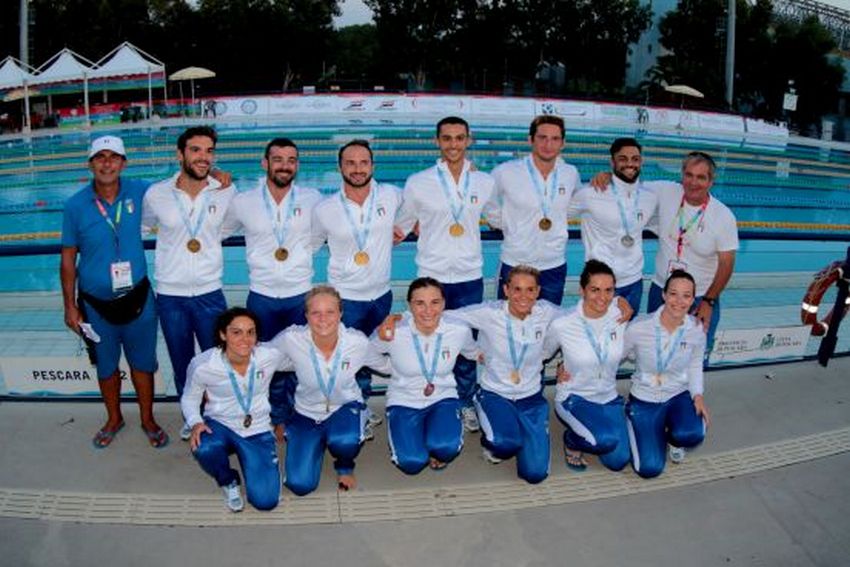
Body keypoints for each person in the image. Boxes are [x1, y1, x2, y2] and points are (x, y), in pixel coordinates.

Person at [380, 266, 562, 484]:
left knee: (535, 474)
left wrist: (564, 362)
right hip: (496, 393)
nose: (523, 296)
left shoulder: (547, 311)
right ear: (505, 289)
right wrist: (398, 317)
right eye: (517, 289)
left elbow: (580, 316)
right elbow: (436, 311)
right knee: (505, 443)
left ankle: (528, 438)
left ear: (538, 291)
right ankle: (494, 444)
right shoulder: (488, 313)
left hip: (531, 395)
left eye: (530, 290)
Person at [60, 135, 168, 449]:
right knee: (106, 367)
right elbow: (68, 258)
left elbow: (179, 184)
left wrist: (215, 175)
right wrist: (69, 305)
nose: (107, 163)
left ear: (123, 163)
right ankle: (114, 418)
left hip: (138, 298)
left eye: (113, 157)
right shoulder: (75, 205)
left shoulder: (141, 190)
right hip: (95, 306)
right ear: (91, 164)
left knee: (143, 364)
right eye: (100, 157)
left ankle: (147, 419)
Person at [395, 116, 495, 433]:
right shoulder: (418, 182)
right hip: (432, 275)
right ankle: (431, 397)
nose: (453, 144)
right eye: (447, 138)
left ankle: (465, 402)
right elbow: (402, 223)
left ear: (468, 140)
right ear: (438, 141)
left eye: (459, 138)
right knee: (427, 342)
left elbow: (497, 217)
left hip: (468, 274)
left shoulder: (484, 182)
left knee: (465, 343)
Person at [591, 151, 738, 362]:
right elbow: (629, 185)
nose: (693, 182)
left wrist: (709, 301)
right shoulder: (666, 191)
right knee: (654, 350)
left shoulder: (723, 216)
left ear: (711, 181)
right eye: (689, 175)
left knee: (692, 357)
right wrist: (609, 176)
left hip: (699, 297)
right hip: (661, 291)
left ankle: (686, 395)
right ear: (682, 175)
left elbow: (727, 264)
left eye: (701, 177)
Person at [224, 138, 322, 442]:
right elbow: (220, 229)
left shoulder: (313, 198)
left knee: (300, 360)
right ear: (265, 163)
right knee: (263, 360)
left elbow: (319, 236)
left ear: (297, 165)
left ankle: (297, 415)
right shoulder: (243, 202)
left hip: (299, 293)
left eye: (291, 160)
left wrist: (299, 259)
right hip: (262, 295)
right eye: (278, 159)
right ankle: (271, 415)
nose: (284, 165)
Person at [142, 125, 235, 440]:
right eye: (196, 150)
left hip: (210, 291)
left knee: (216, 359)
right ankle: (190, 415)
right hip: (170, 294)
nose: (203, 157)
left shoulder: (225, 191)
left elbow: (228, 227)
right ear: (180, 154)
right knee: (181, 360)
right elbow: (143, 225)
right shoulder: (156, 194)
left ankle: (219, 415)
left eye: (209, 151)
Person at [311, 139, 402, 438]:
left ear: (372, 166)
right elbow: (309, 245)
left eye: (363, 162)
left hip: (380, 295)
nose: (358, 169)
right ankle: (352, 407)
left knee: (371, 351)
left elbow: (418, 210)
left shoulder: (391, 195)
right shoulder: (325, 209)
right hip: (346, 297)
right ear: (340, 167)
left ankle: (361, 404)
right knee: (347, 356)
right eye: (350, 163)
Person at [270, 286, 387, 495]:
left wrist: (403, 326)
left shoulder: (357, 342)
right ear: (306, 315)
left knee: (344, 441)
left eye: (330, 312)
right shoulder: (291, 339)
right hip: (306, 411)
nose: (323, 319)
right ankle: (316, 440)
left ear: (340, 313)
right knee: (300, 485)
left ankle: (344, 465)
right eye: (315, 312)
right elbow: (261, 360)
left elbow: (387, 366)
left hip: (345, 406)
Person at [370, 277, 479, 474]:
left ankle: (436, 445)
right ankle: (417, 444)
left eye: (435, 302)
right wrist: (390, 368)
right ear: (409, 305)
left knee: (445, 448)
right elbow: (367, 352)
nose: (428, 310)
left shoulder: (459, 330)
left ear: (444, 303)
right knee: (412, 463)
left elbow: (474, 353)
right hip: (404, 400)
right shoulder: (394, 331)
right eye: (420, 303)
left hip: (443, 397)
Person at [182, 307, 281, 512]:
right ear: (222, 334)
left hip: (258, 429)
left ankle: (259, 464)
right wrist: (195, 422)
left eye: (250, 332)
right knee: (203, 446)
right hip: (221, 424)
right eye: (236, 332)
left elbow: (304, 359)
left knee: (265, 502)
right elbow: (190, 398)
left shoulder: (269, 356)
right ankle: (228, 481)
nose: (245, 339)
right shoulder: (203, 365)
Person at [544, 260, 631, 472]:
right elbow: (542, 353)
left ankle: (596, 428)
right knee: (603, 441)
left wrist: (620, 300)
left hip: (608, 396)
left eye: (609, 290)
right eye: (595, 290)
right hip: (575, 397)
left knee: (618, 461)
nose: (602, 297)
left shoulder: (620, 315)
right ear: (582, 290)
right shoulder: (563, 323)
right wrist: (557, 367)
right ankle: (571, 441)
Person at [485, 115, 581, 305]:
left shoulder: (570, 173)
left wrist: (557, 216)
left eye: (555, 139)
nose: (548, 144)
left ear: (563, 143)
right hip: (516, 263)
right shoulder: (506, 171)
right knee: (509, 323)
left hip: (554, 264)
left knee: (547, 325)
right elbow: (486, 198)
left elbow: (578, 202)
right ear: (530, 140)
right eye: (542, 137)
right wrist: (502, 222)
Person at [623, 270, 709, 476]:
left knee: (692, 434)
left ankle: (673, 439)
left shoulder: (696, 330)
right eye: (673, 294)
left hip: (677, 394)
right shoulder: (639, 327)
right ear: (663, 295)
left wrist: (697, 395)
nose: (679, 301)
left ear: (693, 300)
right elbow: (613, 357)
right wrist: (574, 369)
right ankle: (635, 419)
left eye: (686, 295)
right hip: (644, 397)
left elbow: (695, 363)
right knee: (649, 469)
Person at [571, 138, 657, 315]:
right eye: (623, 158)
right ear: (613, 162)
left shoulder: (650, 198)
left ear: (641, 161)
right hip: (600, 283)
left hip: (634, 281)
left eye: (635, 159)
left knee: (624, 336)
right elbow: (556, 214)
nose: (630, 164)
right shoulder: (590, 193)